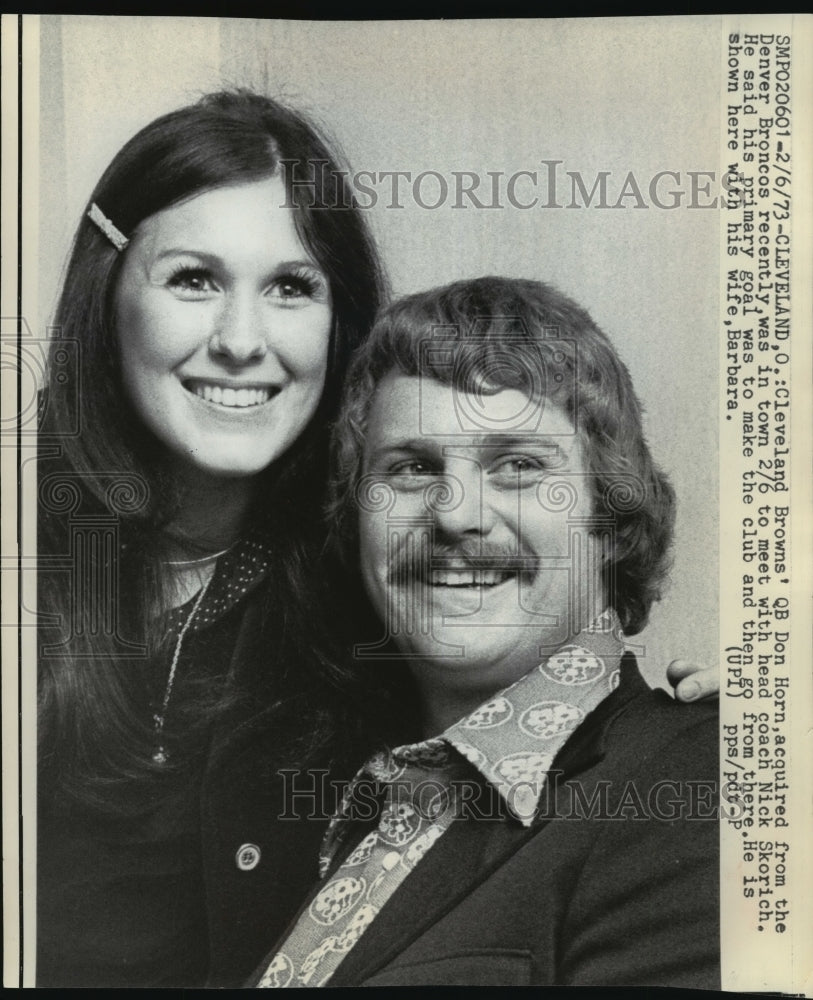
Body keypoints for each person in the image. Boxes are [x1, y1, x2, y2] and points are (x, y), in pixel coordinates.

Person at [36, 90, 717, 988]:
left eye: (517, 464)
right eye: (194, 278)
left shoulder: (678, 777)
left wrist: (754, 727)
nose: (457, 514)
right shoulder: (390, 779)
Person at [252, 276, 719, 988]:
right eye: (411, 468)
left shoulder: (699, 778)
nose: (455, 514)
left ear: (611, 511)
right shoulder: (351, 807)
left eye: (518, 465)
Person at [36, 89, 386, 988]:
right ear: (106, 295)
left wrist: (675, 723)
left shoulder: (379, 577)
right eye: (194, 279)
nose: (241, 341)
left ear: (339, 319)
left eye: (290, 287)